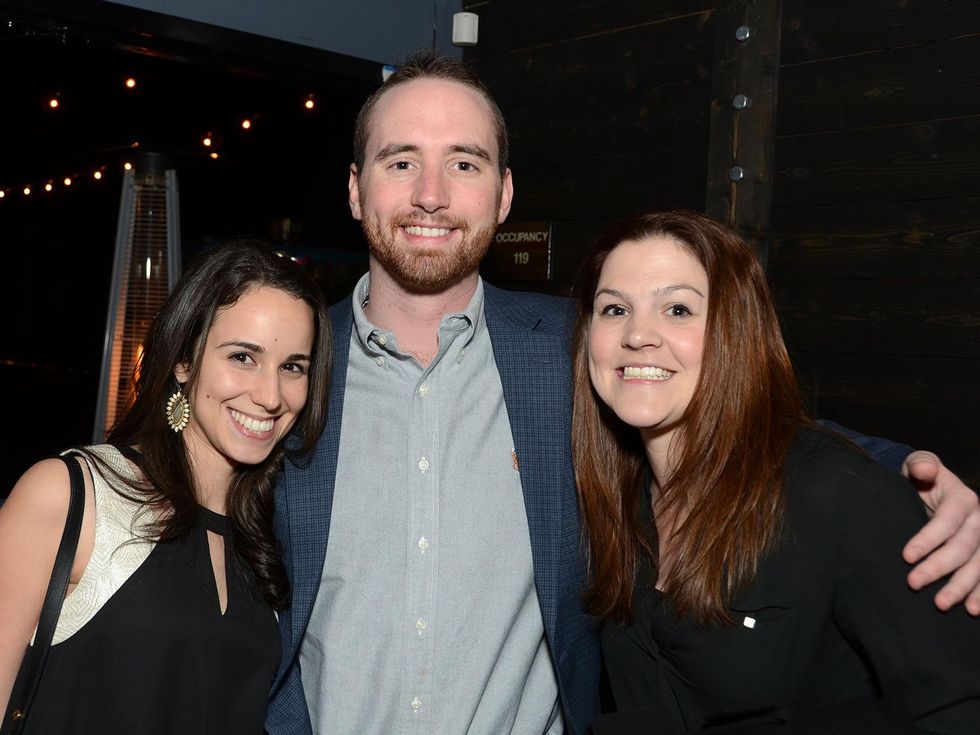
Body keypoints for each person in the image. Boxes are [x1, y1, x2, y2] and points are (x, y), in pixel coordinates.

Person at [265, 51, 980, 735]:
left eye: (464, 162)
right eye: (401, 162)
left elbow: (733, 406)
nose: (431, 193)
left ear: (504, 193)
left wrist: (916, 472)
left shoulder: (575, 349)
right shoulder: (288, 371)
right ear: (356, 189)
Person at [573, 211, 980, 733]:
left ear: (735, 331)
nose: (638, 335)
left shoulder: (836, 496)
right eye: (614, 309)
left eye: (677, 309)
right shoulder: (619, 505)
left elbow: (957, 705)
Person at [0, 241, 331, 734]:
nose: (270, 396)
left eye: (293, 367)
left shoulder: (269, 542)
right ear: (183, 361)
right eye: (243, 356)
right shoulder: (74, 496)